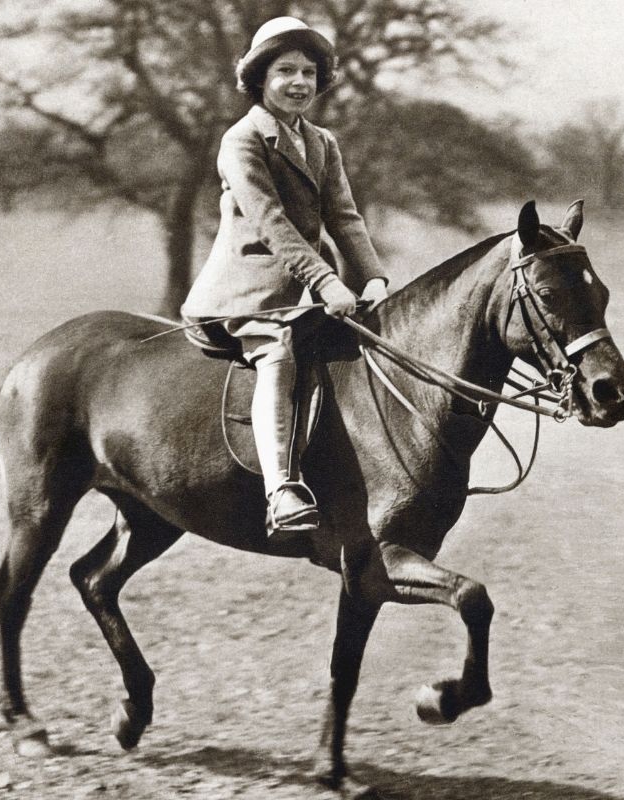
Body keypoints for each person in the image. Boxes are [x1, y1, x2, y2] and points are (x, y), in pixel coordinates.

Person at [181, 16, 388, 539]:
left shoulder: (322, 141)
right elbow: (271, 223)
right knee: (277, 355)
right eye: (285, 71)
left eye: (309, 73)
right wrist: (326, 282)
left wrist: (372, 279)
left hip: (311, 289)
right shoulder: (241, 139)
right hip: (246, 294)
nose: (299, 82)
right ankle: (282, 490)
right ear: (259, 78)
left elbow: (344, 217)